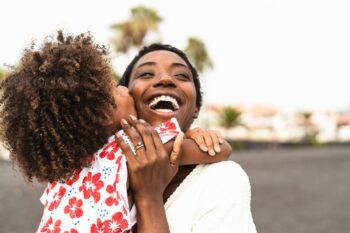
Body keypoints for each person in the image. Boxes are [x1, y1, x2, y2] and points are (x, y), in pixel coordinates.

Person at [0, 31, 231, 232]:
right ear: (103, 114)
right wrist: (192, 135)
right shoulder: (131, 148)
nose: (122, 87)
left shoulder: (67, 175)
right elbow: (217, 150)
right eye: (113, 88)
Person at [119, 43, 257, 232]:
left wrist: (149, 197)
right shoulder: (87, 163)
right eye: (146, 74)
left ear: (196, 110)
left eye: (182, 75)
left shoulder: (220, 179)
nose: (165, 79)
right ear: (124, 98)